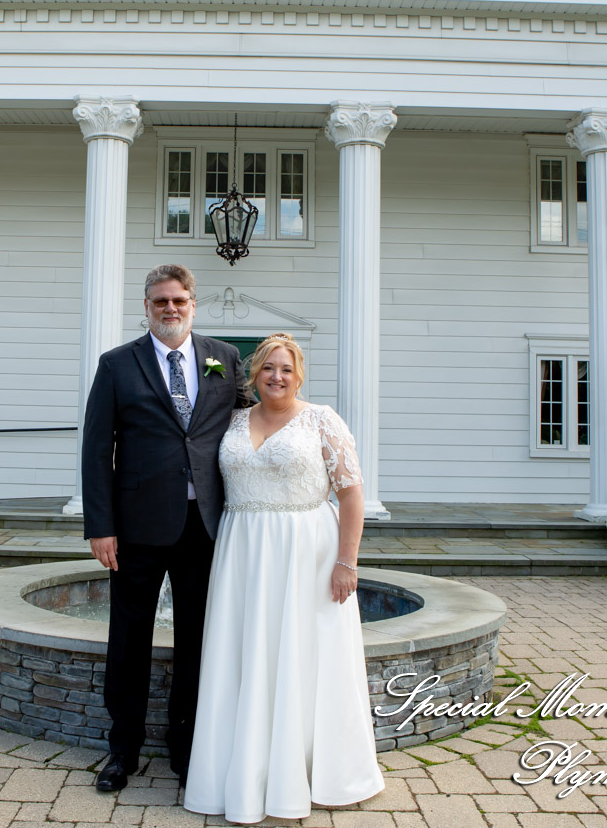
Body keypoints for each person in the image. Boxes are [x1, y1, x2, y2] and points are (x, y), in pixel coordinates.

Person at [183, 333, 385, 823]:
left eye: (287, 369)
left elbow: (352, 495)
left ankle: (309, 772)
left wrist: (347, 562)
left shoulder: (322, 419)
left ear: (299, 376)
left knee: (303, 655)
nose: (277, 376)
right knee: (242, 655)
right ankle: (243, 774)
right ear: (254, 374)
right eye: (269, 368)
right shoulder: (233, 420)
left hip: (305, 552)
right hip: (242, 550)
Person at [81, 265, 244, 792]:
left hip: (206, 526)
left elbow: (252, 420)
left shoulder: (225, 358)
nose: (170, 309)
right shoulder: (116, 364)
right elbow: (96, 449)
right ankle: (122, 749)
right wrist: (100, 526)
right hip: (136, 527)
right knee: (128, 639)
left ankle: (187, 746)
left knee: (198, 639)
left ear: (193, 304)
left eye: (178, 300)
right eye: (160, 302)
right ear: (146, 307)